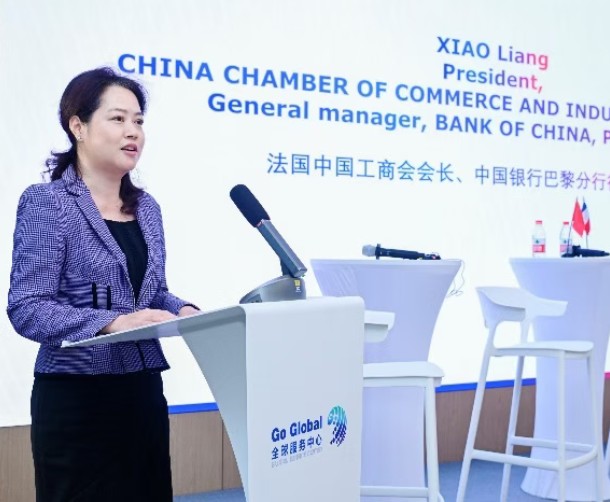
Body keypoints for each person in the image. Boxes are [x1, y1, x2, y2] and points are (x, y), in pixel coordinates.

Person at [7, 67, 199, 502]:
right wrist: (111, 323)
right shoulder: (48, 203)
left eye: (139, 121)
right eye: (117, 119)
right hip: (78, 400)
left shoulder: (147, 208)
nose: (133, 132)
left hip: (142, 392)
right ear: (78, 126)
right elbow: (28, 306)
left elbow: (150, 293)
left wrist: (183, 310)